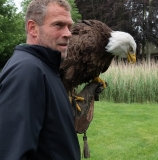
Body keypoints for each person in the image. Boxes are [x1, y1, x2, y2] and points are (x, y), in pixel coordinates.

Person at [0, 0, 80, 159]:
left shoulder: (46, 68)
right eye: (58, 25)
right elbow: (12, 152)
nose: (68, 33)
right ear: (33, 28)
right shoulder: (27, 71)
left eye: (69, 26)